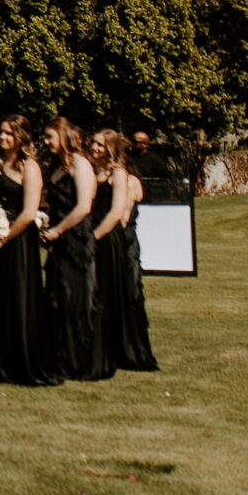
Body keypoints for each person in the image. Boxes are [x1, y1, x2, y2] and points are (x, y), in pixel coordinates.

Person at [0, 114, 58, 386]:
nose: (2, 137)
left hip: (20, 238)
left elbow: (29, 211)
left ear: (21, 138)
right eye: (1, 132)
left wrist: (5, 237)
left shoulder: (29, 167)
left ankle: (21, 361)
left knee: (19, 296)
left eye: (9, 133)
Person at [41, 116, 110, 381]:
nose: (46, 142)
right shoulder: (57, 166)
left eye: (50, 137)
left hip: (76, 239)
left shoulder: (81, 165)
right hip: (58, 239)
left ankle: (80, 360)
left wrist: (58, 230)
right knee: (59, 298)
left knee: (78, 298)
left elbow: (83, 207)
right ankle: (62, 357)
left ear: (64, 136)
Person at [90, 132, 158, 373]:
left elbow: (120, 214)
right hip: (93, 231)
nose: (94, 147)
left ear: (110, 148)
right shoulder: (93, 171)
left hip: (111, 237)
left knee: (115, 291)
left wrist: (94, 237)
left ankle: (119, 347)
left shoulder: (120, 175)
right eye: (93, 143)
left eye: (100, 144)